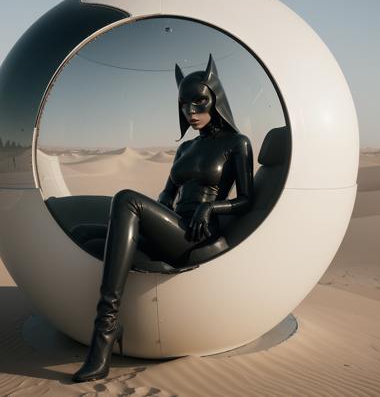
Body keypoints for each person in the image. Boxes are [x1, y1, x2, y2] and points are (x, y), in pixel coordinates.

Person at [72, 54, 254, 382]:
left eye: (199, 102)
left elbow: (246, 200)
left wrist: (212, 207)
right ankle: (93, 321)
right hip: (174, 227)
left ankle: (104, 335)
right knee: (84, 233)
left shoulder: (236, 143)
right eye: (184, 104)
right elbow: (166, 196)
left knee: (126, 199)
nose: (191, 111)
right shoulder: (185, 150)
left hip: (198, 235)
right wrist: (162, 205)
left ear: (216, 98)